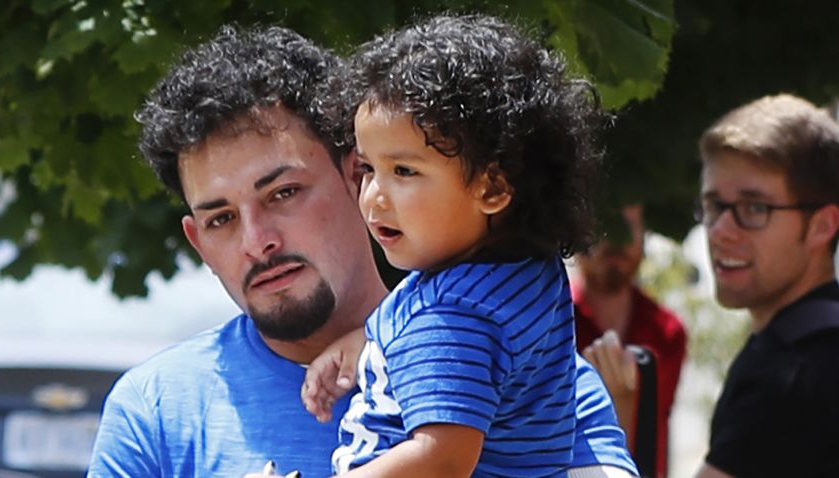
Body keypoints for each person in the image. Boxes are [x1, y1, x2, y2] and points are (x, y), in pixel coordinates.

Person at [87, 22, 635, 478]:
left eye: (284, 193)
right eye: (222, 219)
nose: (257, 241)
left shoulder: (537, 378)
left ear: (357, 177)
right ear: (198, 241)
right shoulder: (153, 411)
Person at [296, 14, 628, 478]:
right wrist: (365, 343)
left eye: (404, 171)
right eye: (368, 169)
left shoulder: (453, 318)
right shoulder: (525, 270)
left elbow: (443, 459)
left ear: (492, 189)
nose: (374, 196)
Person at [693, 94, 839, 478]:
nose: (721, 231)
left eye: (754, 208)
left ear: (823, 226)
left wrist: (618, 413)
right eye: (713, 206)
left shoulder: (792, 380)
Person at [577, 204, 687, 478]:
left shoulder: (668, 331)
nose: (616, 241)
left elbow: (658, 425)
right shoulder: (551, 322)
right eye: (604, 226)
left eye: (629, 227)